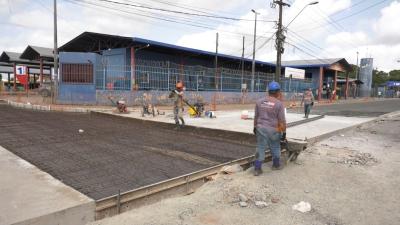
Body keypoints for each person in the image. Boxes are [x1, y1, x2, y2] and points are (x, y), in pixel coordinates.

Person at [253, 81, 287, 176]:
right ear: (277, 92)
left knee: (260, 148)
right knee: (275, 146)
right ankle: (276, 165)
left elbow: (256, 116)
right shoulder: (279, 104)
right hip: (273, 130)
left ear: (268, 91)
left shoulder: (259, 102)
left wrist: (255, 127)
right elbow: (281, 121)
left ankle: (257, 169)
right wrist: (283, 132)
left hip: (261, 128)